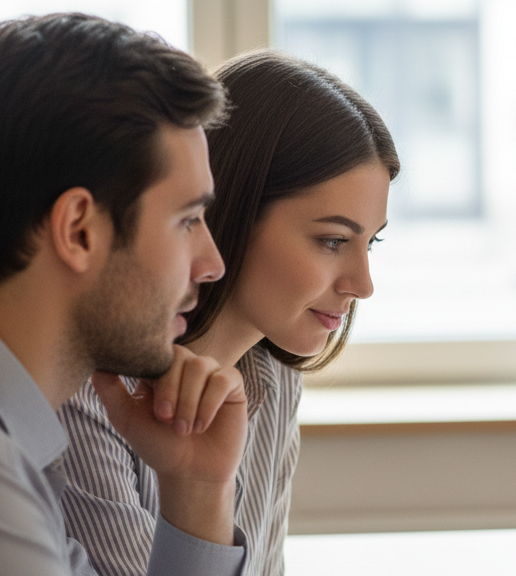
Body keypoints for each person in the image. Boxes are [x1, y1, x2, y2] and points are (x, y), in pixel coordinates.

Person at [58, 50, 399, 575]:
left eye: (368, 244)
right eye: (332, 241)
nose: (363, 285)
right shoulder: (89, 390)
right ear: (230, 213)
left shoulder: (274, 378)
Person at [0, 12, 253, 576]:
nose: (212, 265)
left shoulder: (23, 461)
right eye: (188, 220)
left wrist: (195, 490)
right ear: (79, 231)